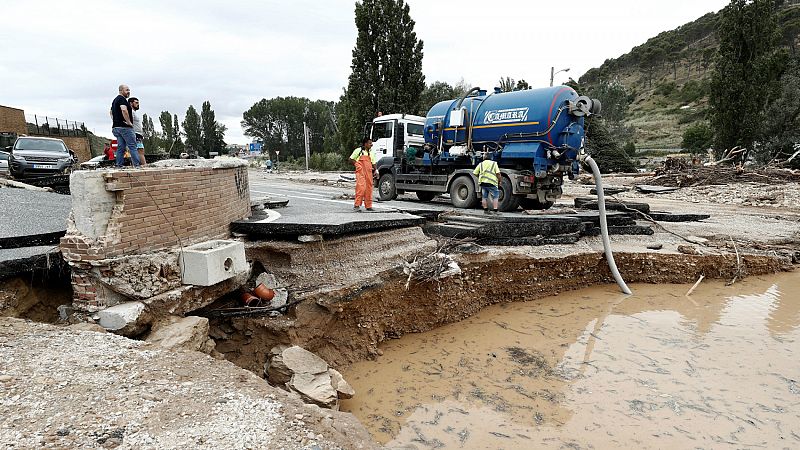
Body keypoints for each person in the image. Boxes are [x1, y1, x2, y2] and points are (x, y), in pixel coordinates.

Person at [110, 84, 141, 167]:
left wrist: (115, 120)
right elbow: (124, 110)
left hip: (116, 128)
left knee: (121, 147)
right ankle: (137, 165)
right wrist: (129, 122)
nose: (128, 92)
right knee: (132, 146)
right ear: (121, 90)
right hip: (125, 128)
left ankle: (119, 165)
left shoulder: (115, 100)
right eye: (126, 90)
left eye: (129, 90)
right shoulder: (122, 99)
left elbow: (111, 112)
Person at [349, 137, 378, 211]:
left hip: (369, 173)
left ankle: (368, 206)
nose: (371, 145)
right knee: (361, 188)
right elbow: (351, 159)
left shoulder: (371, 152)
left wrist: (376, 170)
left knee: (369, 189)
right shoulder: (358, 151)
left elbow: (373, 162)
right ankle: (356, 205)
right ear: (365, 144)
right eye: (370, 143)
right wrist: (357, 165)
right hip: (361, 172)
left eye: (371, 143)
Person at [129, 97, 147, 166]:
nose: (138, 104)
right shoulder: (131, 112)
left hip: (138, 134)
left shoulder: (133, 112)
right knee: (140, 151)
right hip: (135, 134)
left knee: (138, 151)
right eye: (136, 103)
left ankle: (137, 165)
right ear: (131, 103)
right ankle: (144, 165)